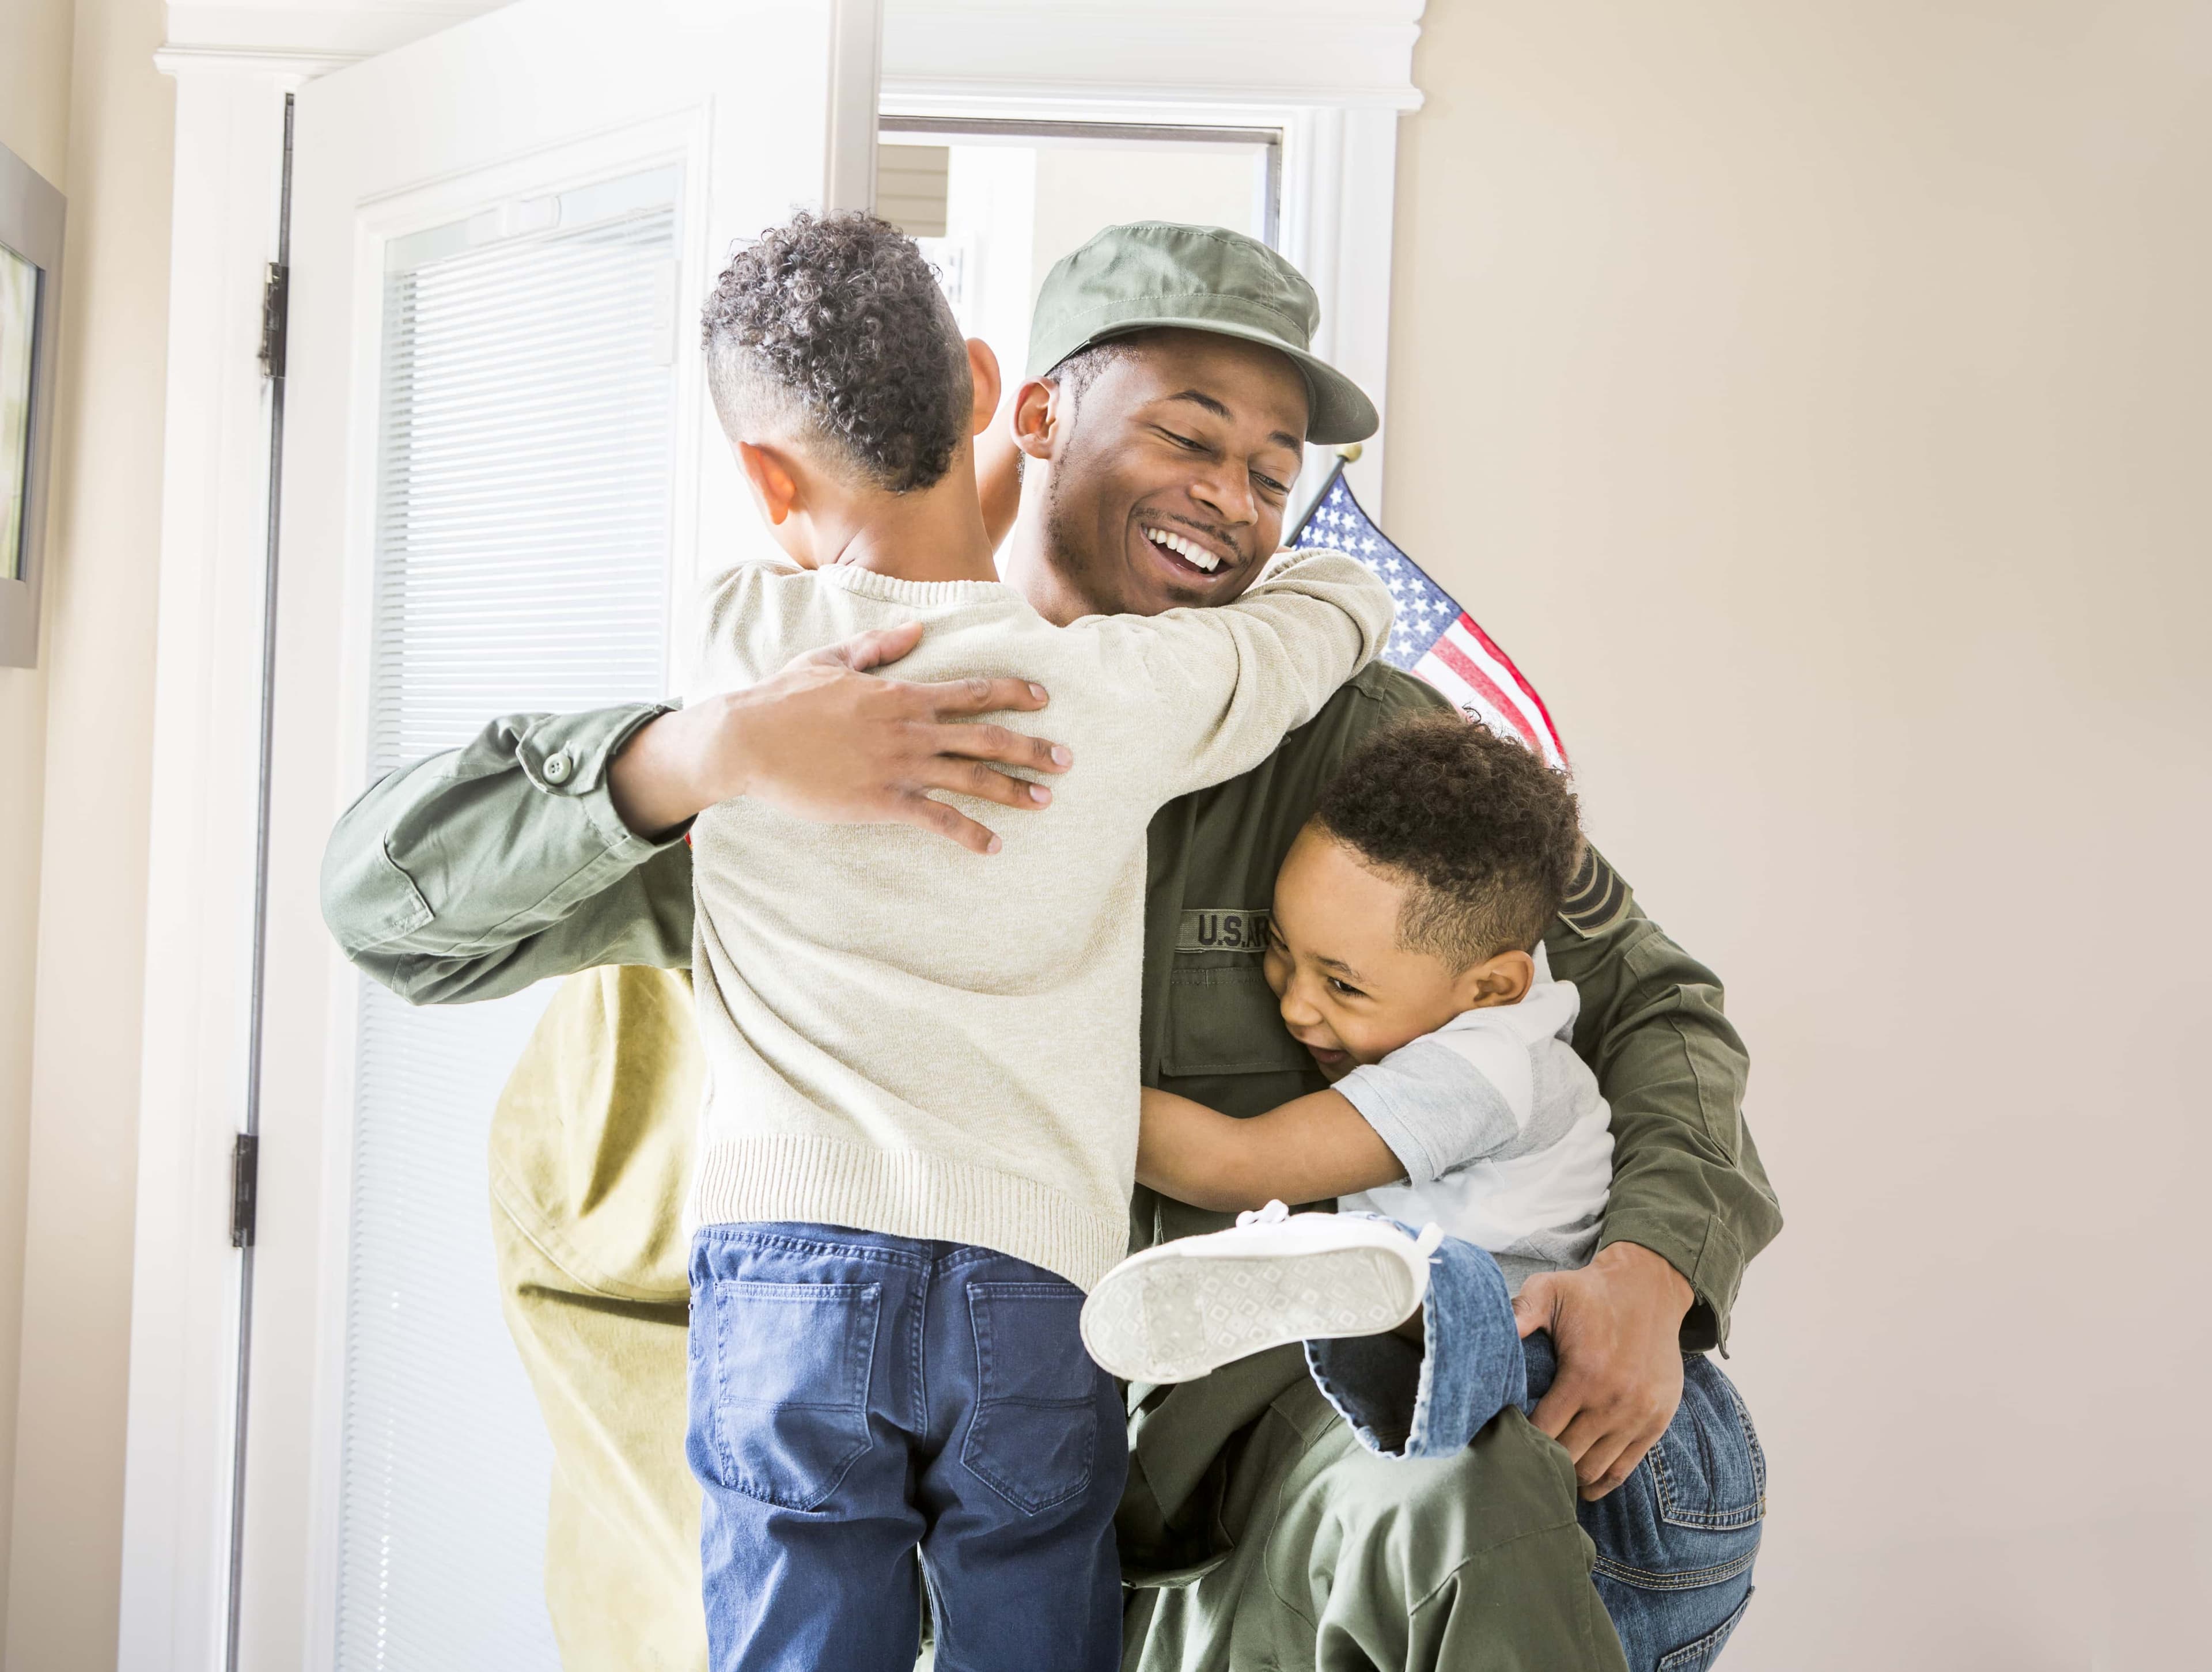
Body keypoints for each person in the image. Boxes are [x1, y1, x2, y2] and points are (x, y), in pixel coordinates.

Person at [324, 221, 1783, 1671]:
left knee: (1455, 1511)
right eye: (1186, 436)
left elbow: (1653, 1003)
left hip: (1261, 1475)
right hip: (929, 1455)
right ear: (1027, 411)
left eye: (1275, 473)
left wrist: (1655, 1271)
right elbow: (394, 914)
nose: (1231, 500)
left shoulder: (1369, 741)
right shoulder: (798, 721)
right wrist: (696, 754)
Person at [665, 210, 1389, 1671]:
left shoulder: (733, 655)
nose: (1238, 495)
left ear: (760, 474)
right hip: (1031, 1286)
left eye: (1269, 468)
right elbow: (1326, 613)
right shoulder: (1115, 694)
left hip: (785, 1275)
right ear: (999, 395)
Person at [1083, 714, 1764, 1671]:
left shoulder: (1481, 1067)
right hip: (1562, 1457)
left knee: (1463, 1321)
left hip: (1603, 1445)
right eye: (1279, 951)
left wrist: (1041, 1083)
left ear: (1490, 986)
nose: (1295, 1005)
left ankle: (1333, 1286)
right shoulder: (1451, 1002)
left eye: (1343, 987)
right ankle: (1344, 1293)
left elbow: (1240, 1163)